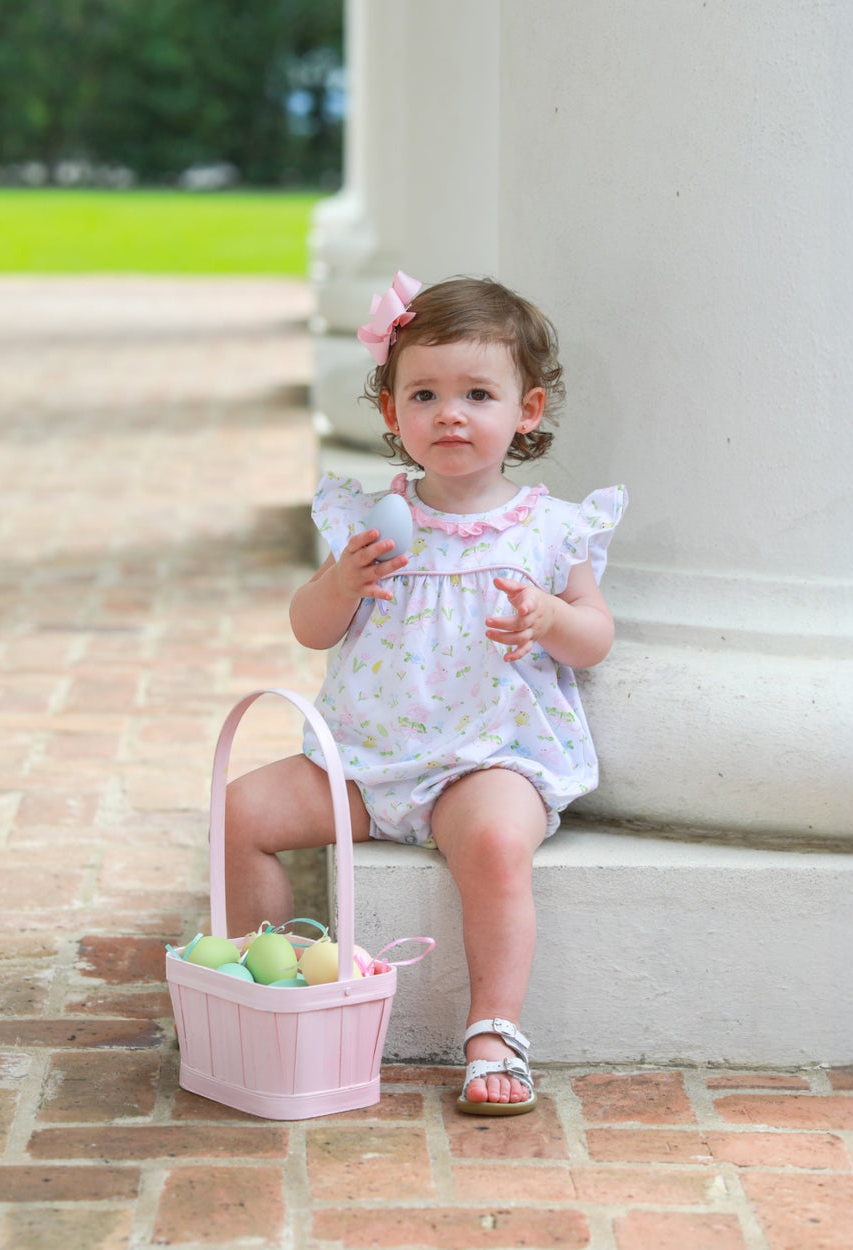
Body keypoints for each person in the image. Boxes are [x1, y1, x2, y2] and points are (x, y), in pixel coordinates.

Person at [225, 271, 627, 1115]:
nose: (451, 413)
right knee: (241, 813)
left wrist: (549, 615)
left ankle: (492, 1029)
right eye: (425, 393)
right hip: (367, 759)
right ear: (390, 412)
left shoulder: (551, 529)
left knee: (492, 848)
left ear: (526, 411)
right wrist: (343, 581)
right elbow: (311, 628)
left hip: (486, 758)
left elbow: (594, 636)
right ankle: (261, 984)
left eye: (478, 393)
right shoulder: (369, 521)